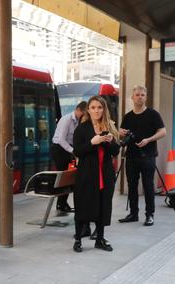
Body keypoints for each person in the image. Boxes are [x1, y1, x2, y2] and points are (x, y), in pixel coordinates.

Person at [72, 96, 120, 253]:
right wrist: (93, 142)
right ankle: (78, 240)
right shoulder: (82, 128)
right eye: (93, 107)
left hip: (105, 174)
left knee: (103, 206)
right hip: (87, 175)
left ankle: (100, 239)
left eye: (99, 107)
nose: (96, 110)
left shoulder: (109, 126)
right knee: (83, 206)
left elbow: (116, 151)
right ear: (88, 110)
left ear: (104, 109)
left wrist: (110, 141)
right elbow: (77, 151)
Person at [118, 85, 167, 226]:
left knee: (148, 185)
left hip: (148, 155)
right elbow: (121, 133)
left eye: (142, 95)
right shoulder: (127, 116)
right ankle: (133, 214)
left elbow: (163, 132)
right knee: (132, 186)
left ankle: (149, 214)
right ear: (132, 97)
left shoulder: (153, 114)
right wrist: (121, 133)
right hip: (131, 156)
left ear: (146, 97)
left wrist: (149, 140)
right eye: (137, 95)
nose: (140, 97)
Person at [52, 101, 87, 213]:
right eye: (84, 113)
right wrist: (73, 151)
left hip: (68, 149)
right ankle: (60, 205)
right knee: (64, 177)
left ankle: (62, 204)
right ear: (79, 110)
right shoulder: (66, 119)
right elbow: (61, 140)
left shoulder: (78, 121)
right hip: (60, 149)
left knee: (69, 177)